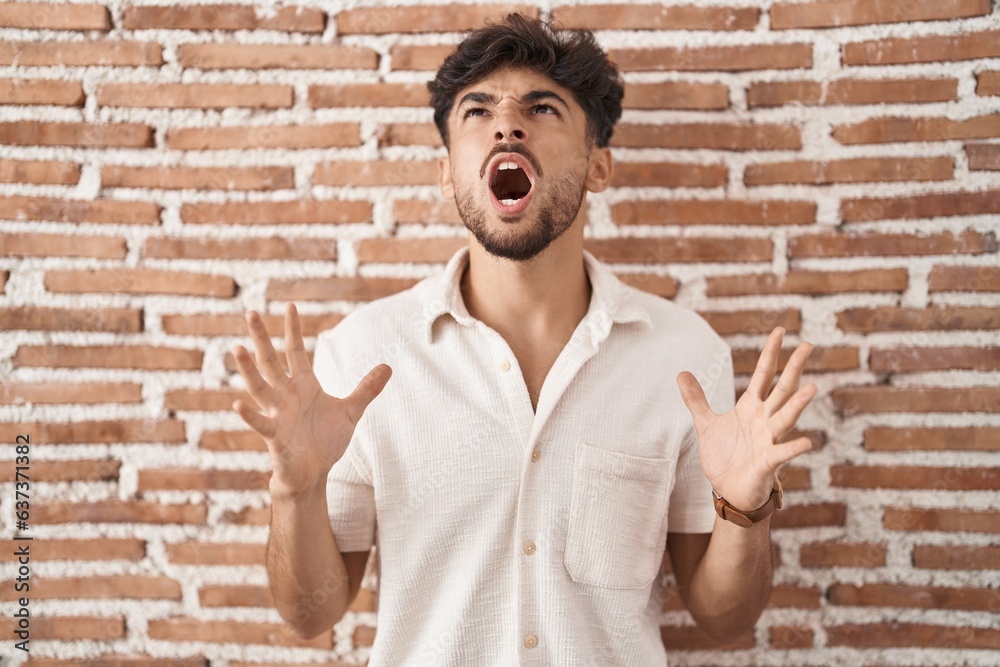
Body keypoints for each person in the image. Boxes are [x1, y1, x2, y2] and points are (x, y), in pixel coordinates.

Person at [231, 13, 817, 665]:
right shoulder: (361, 355)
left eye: (542, 107)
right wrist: (297, 490)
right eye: (477, 111)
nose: (507, 123)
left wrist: (744, 507)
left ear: (599, 165)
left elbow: (723, 617)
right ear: (448, 170)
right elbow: (310, 614)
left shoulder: (683, 356)